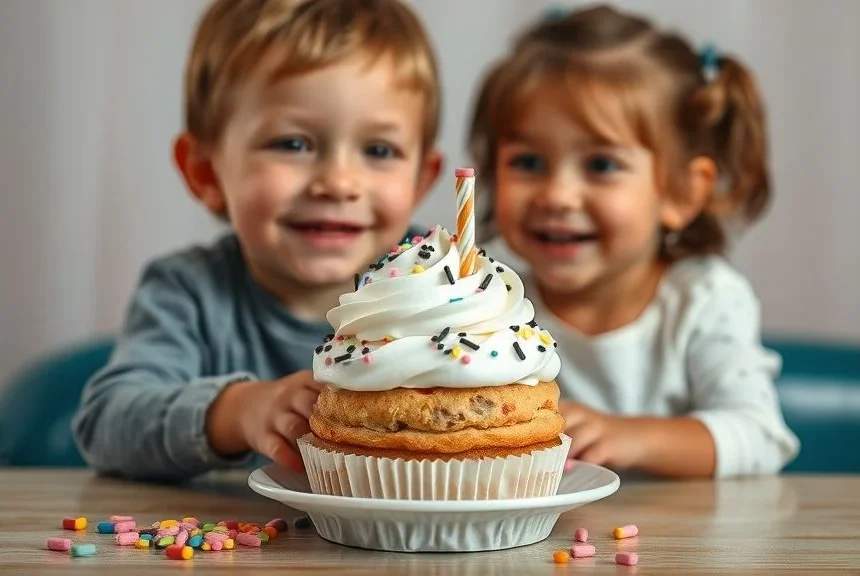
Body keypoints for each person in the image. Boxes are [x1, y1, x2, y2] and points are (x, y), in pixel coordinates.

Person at [72, 0, 443, 480]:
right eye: (293, 144)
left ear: (420, 180)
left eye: (378, 150)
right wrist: (236, 411)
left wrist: (574, 417)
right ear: (206, 171)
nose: (338, 182)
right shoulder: (189, 291)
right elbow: (106, 422)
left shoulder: (447, 286)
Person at [468, 5, 799, 478]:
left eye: (601, 165)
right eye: (528, 162)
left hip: (680, 548)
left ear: (681, 192)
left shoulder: (704, 300)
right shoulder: (490, 303)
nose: (557, 195)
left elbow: (760, 436)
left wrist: (629, 435)